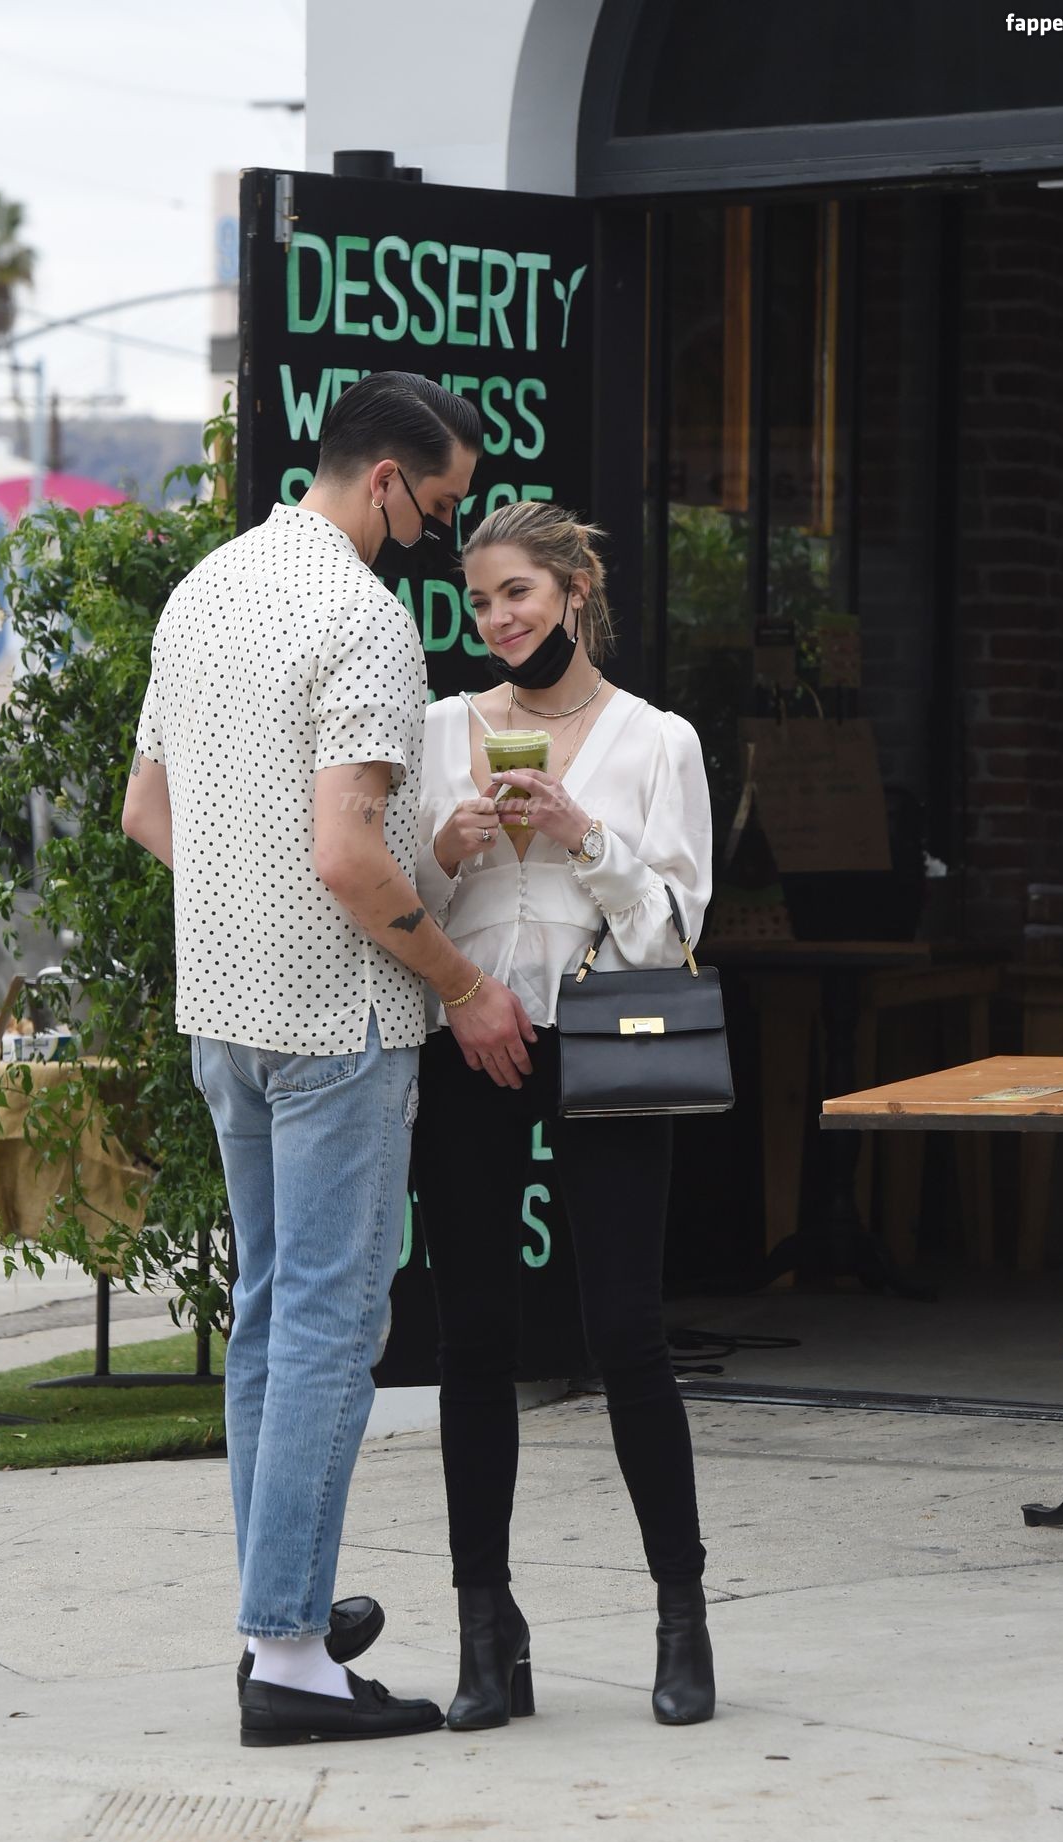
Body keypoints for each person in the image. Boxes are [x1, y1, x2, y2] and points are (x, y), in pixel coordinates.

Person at [121, 372, 536, 1748]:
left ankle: (275, 1616)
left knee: (269, 1315)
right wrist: (465, 984)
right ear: (387, 480)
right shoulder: (361, 617)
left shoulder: (204, 591)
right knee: (328, 1326)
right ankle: (292, 1658)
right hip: (338, 1021)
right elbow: (348, 857)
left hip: (225, 1014)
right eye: (441, 508)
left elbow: (147, 811)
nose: (438, 536)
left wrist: (250, 908)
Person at [412, 501, 717, 1731]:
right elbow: (403, 904)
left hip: (606, 1038)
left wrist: (584, 836)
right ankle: (486, 1633)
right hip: (471, 1038)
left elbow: (674, 931)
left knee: (627, 1330)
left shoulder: (658, 742)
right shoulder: (442, 730)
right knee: (473, 1339)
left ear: (574, 591)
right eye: (480, 601)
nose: (496, 620)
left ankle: (683, 1619)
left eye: (517, 595)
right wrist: (450, 844)